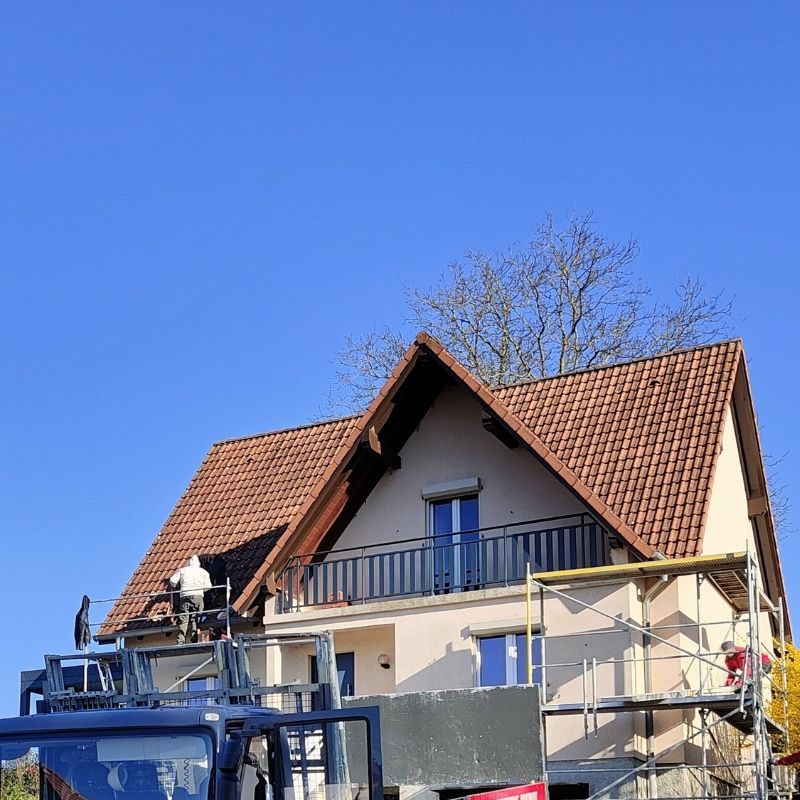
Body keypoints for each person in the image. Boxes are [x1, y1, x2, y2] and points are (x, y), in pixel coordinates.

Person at [169, 555, 212, 644]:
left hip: (185, 597)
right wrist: (201, 589)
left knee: (184, 620)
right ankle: (194, 638)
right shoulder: (203, 572)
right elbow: (208, 586)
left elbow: (172, 581)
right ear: (198, 563)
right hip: (198, 597)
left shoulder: (183, 570)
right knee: (195, 618)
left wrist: (178, 586)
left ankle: (181, 640)